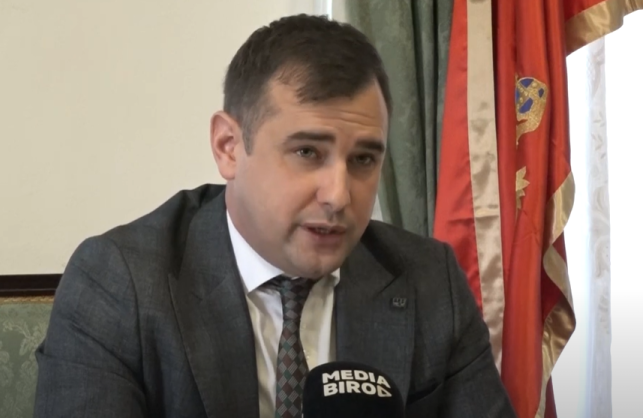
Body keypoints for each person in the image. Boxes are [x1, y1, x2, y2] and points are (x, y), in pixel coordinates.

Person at [34, 14, 516, 418]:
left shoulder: (428, 280)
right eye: (307, 152)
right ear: (228, 147)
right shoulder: (119, 284)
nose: (338, 195)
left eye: (364, 159)